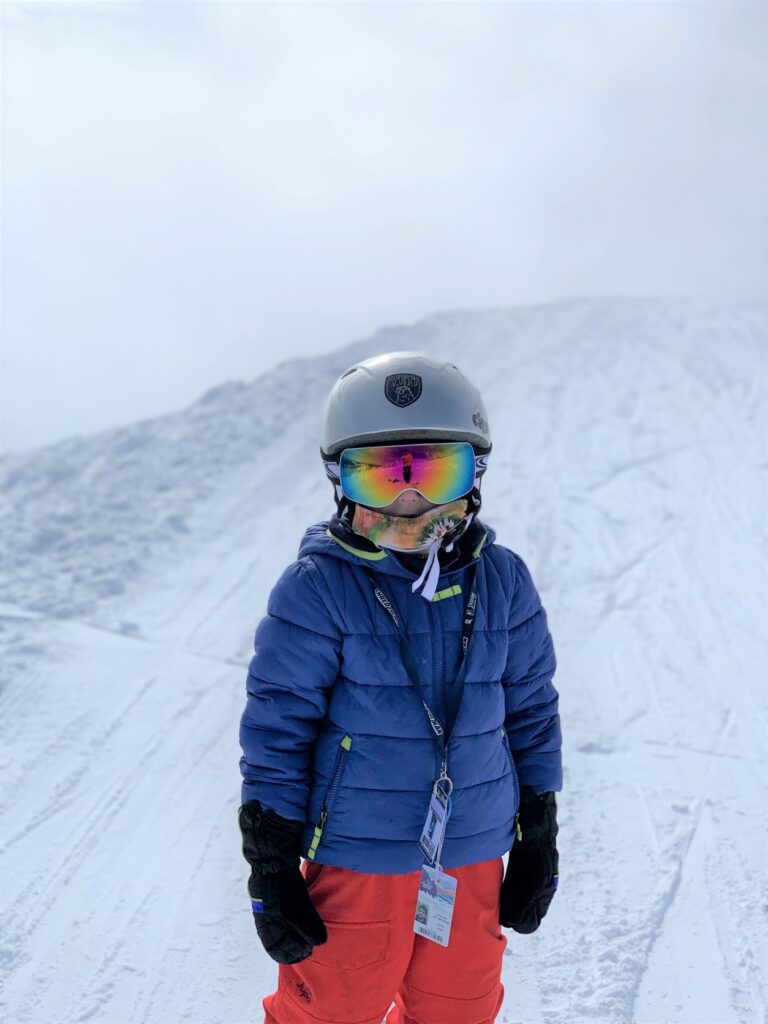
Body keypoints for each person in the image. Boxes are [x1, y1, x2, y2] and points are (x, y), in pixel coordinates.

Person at [238, 351, 562, 1024]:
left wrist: (539, 828)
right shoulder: (319, 589)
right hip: (358, 854)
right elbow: (278, 729)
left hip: (468, 853)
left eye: (434, 470)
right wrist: (270, 860)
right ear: (341, 480)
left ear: (475, 475)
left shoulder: (502, 582)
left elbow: (531, 710)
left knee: (460, 1010)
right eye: (382, 475)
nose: (409, 499)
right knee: (331, 1010)